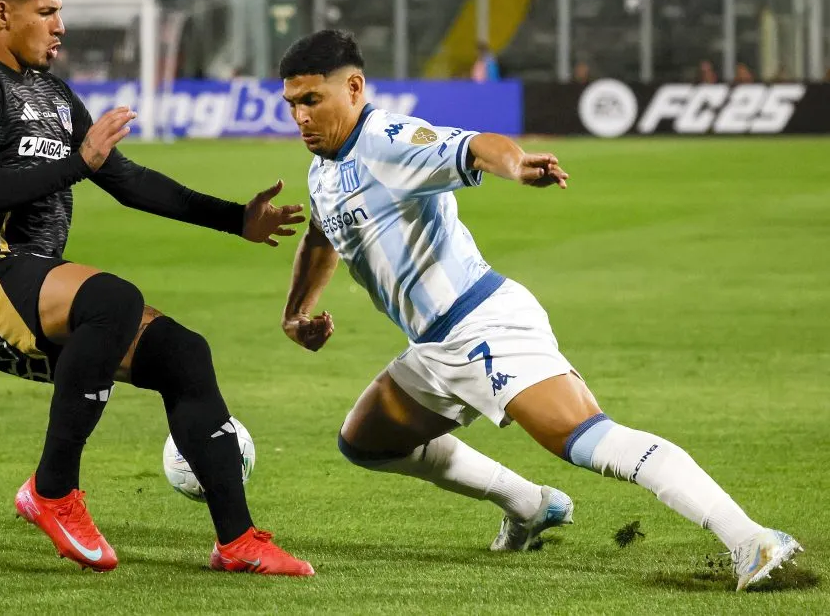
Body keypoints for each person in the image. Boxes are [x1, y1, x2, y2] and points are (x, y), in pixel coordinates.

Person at [277, 29, 801, 591]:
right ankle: (531, 506)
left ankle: (751, 538)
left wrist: (518, 164)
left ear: (353, 88)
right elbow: (321, 232)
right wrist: (297, 311)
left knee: (586, 440)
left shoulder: (389, 139)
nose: (301, 117)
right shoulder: (324, 167)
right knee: (367, 441)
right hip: (432, 347)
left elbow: (477, 145)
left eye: (312, 101)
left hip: (485, 326)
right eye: (292, 105)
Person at [0, 0, 314, 576]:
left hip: (32, 281)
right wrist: (78, 162)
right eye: (47, 12)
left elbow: (127, 180)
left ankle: (237, 541)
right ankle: (52, 492)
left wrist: (234, 219)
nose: (60, 26)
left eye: (60, 13)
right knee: (113, 299)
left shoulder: (52, 92)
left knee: (184, 353)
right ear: (2, 13)